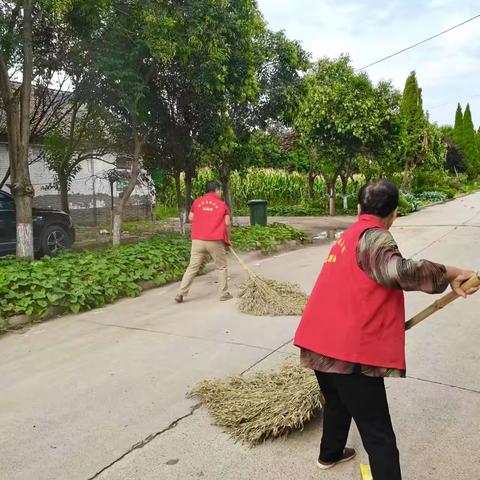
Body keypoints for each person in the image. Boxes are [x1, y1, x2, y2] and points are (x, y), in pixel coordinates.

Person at [294, 180, 478, 480]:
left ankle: (330, 454)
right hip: (346, 350)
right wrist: (454, 272)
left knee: (337, 401)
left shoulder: (350, 235)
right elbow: (400, 271)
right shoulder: (374, 237)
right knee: (379, 435)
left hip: (318, 342)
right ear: (394, 213)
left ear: (358, 208)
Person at [175, 180, 233, 303]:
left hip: (197, 240)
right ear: (216, 190)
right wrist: (227, 240)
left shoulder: (197, 202)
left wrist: (204, 219)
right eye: (220, 190)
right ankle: (224, 293)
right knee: (222, 267)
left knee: (192, 267)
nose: (221, 192)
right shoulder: (222, 205)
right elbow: (227, 223)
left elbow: (191, 218)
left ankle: (180, 293)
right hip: (214, 241)